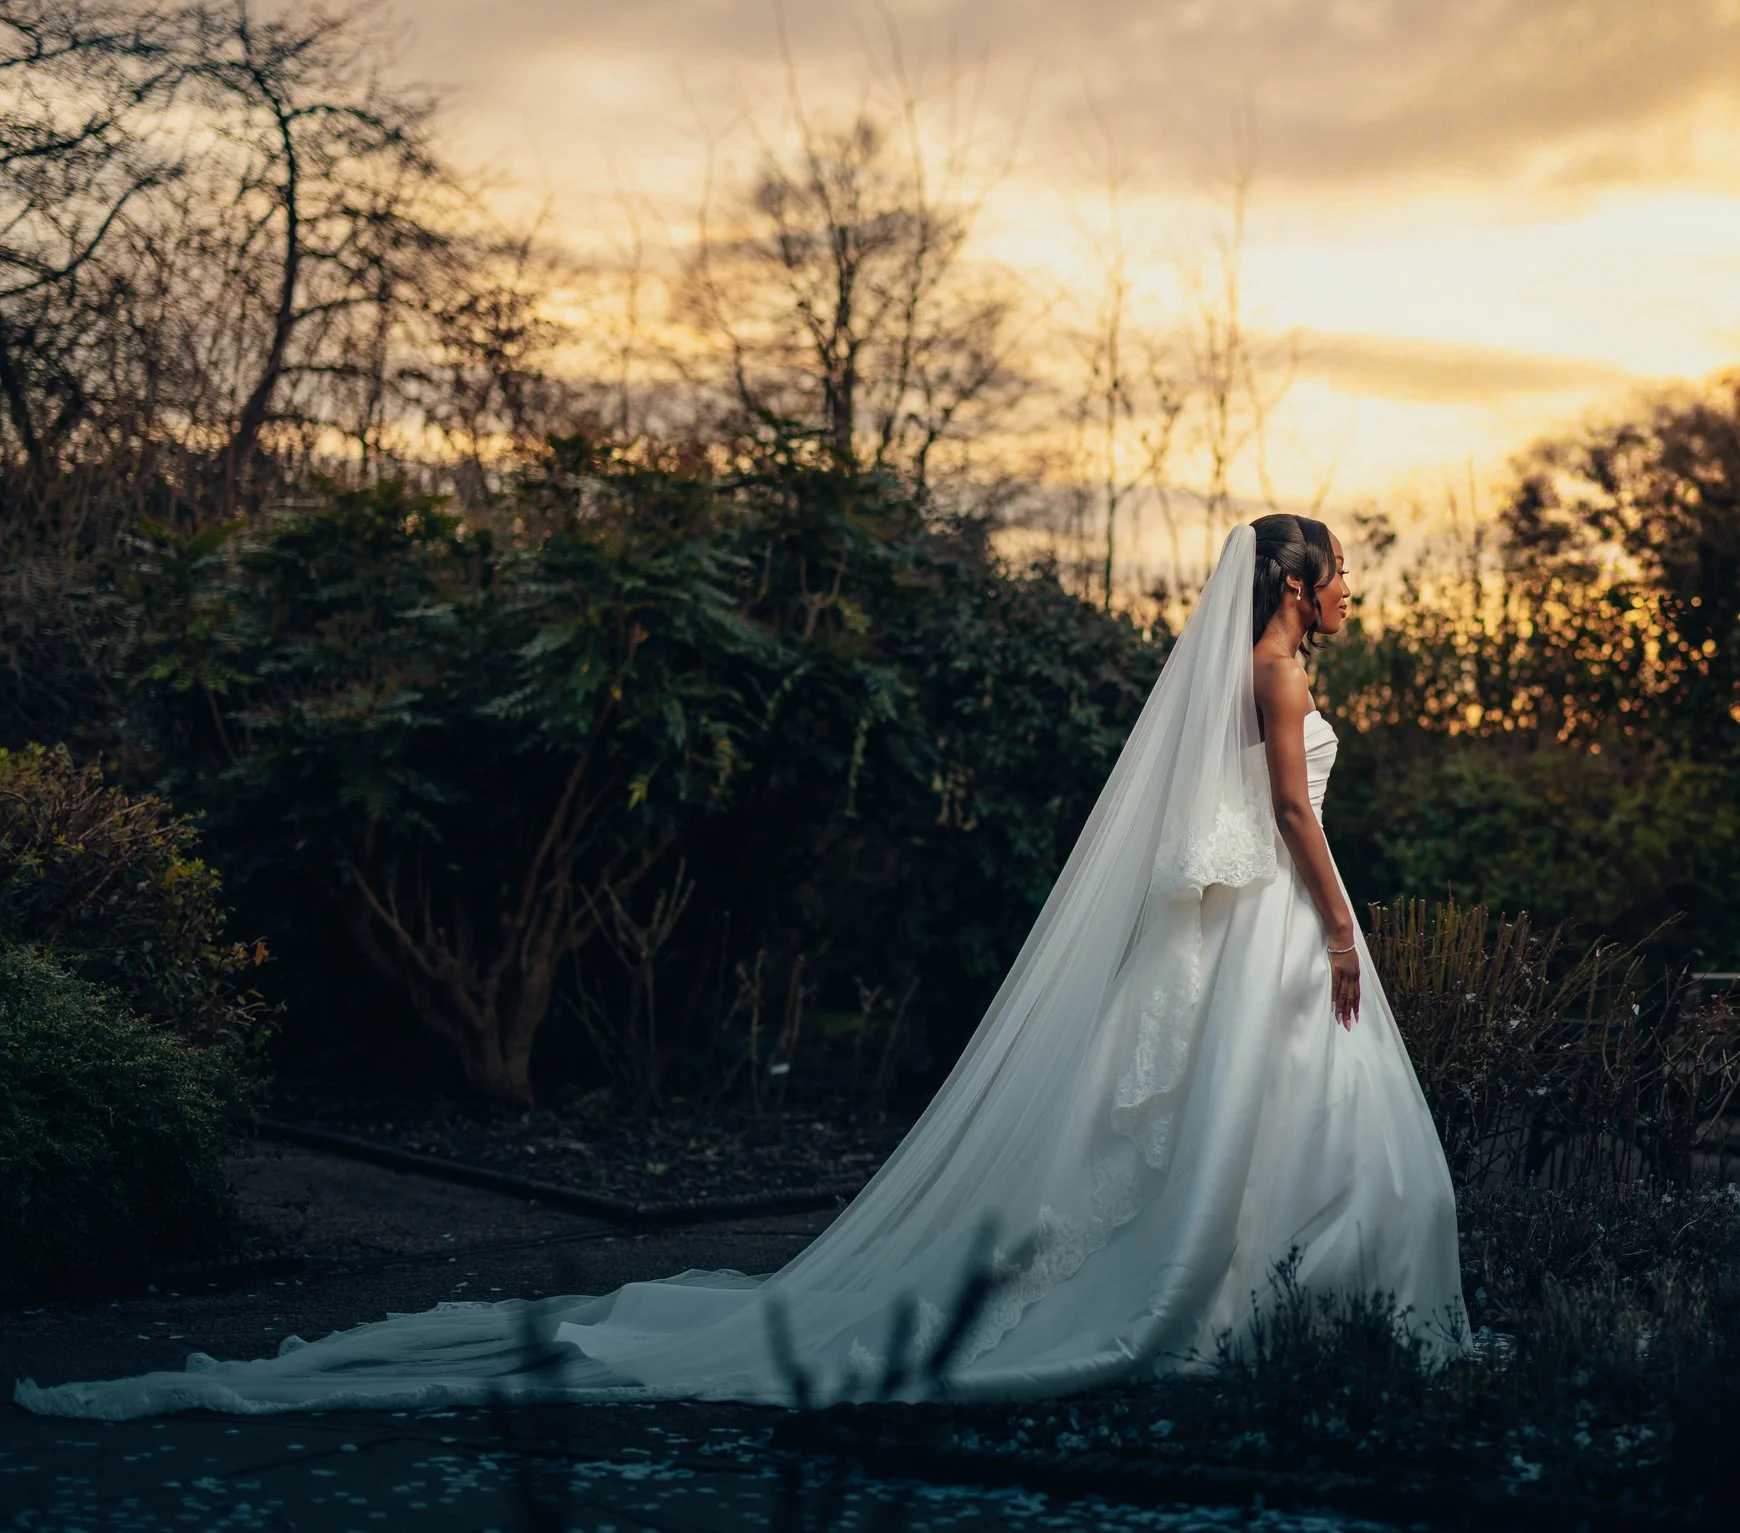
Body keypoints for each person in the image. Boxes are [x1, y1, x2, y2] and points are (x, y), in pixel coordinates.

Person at [18, 516, 1465, 1419]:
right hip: (1285, 912)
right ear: (1297, 582)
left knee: (1278, 1119)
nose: (1351, 595)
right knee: (1284, 1115)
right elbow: (1285, 812)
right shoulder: (1275, 676)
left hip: (1260, 915)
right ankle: (1269, 1297)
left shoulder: (1261, 671)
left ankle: (1284, 1292)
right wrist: (1342, 928)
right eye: (1339, 576)